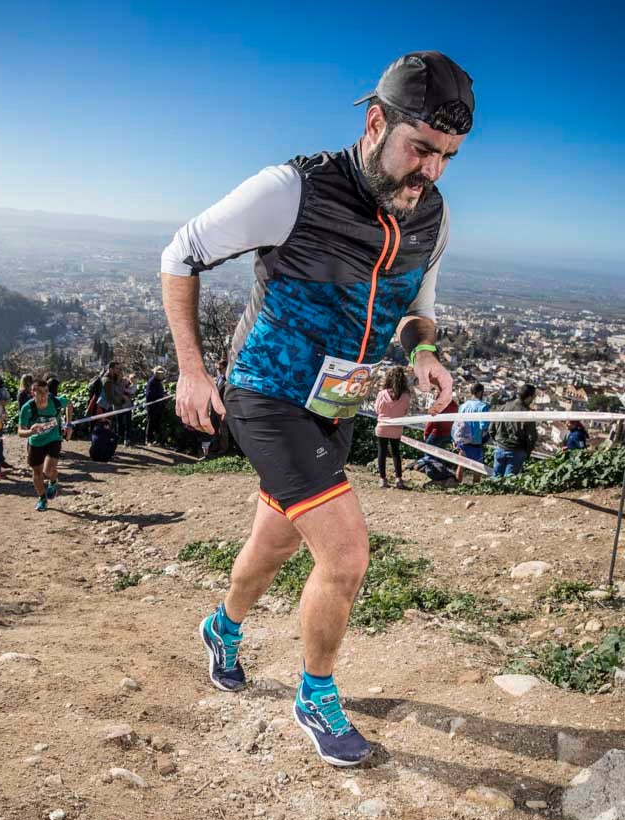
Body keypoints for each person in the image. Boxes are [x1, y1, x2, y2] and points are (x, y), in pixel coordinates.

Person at [160, 50, 472, 766]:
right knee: (346, 552)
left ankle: (223, 626)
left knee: (274, 543)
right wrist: (190, 370)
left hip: (341, 400)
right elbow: (182, 253)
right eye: (421, 148)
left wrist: (423, 351)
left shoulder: (434, 216)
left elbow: (417, 308)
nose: (432, 171)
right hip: (266, 391)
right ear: (375, 123)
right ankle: (315, 694)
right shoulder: (291, 188)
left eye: (448, 156)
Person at [19, 378, 72, 511]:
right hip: (35, 442)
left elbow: (69, 404)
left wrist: (69, 424)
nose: (44, 395)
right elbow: (20, 432)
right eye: (40, 392)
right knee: (37, 473)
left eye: (46, 391)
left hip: (53, 439)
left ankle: (53, 481)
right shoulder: (27, 408)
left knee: (48, 470)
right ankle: (42, 499)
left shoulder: (55, 401)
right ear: (33, 393)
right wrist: (30, 431)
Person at [373, 366, 411, 489]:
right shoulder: (405, 396)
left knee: (382, 452)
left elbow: (377, 410)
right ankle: (399, 479)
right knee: (396, 452)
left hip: (383, 426)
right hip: (396, 428)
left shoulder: (382, 394)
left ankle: (382, 479)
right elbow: (405, 411)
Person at [490, 383, 538, 478]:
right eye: (533, 397)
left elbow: (491, 428)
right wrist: (527, 452)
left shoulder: (504, 407)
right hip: (516, 451)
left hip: (500, 448)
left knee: (495, 480)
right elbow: (531, 437)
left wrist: (497, 441)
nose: (534, 399)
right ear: (529, 397)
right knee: (508, 482)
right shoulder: (527, 414)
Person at [452, 383, 490, 483]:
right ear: (480, 392)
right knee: (477, 469)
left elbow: (457, 424)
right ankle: (475, 490)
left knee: (461, 465)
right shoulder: (483, 407)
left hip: (463, 441)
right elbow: (484, 427)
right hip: (476, 441)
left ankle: (457, 486)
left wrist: (454, 439)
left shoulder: (463, 406)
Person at [145, 366, 168, 447]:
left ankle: (158, 441)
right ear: (156, 373)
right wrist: (161, 397)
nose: (162, 375)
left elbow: (159, 392)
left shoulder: (159, 382)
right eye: (160, 373)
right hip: (152, 406)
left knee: (157, 424)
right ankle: (148, 440)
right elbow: (149, 395)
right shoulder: (152, 382)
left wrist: (164, 394)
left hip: (159, 407)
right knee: (151, 423)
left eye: (162, 373)